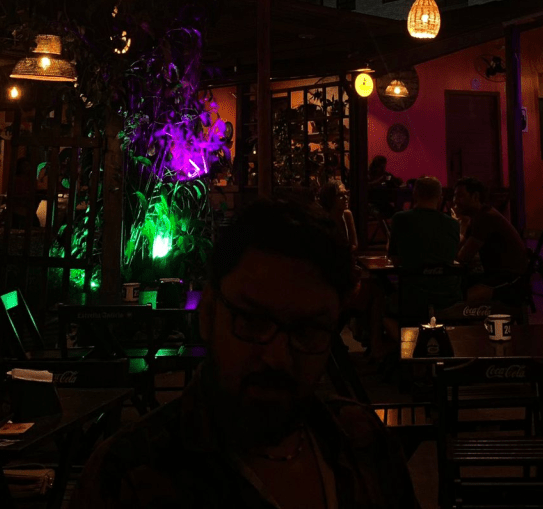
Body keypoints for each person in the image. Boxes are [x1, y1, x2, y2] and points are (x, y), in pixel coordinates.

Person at [72, 200, 418, 509]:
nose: (277, 357)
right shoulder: (127, 479)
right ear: (208, 313)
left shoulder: (366, 443)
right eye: (252, 321)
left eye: (307, 330)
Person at [387, 175, 462, 318]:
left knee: (380, 299)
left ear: (415, 194)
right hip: (448, 295)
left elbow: (395, 259)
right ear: (440, 197)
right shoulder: (453, 223)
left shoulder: (400, 219)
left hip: (412, 295)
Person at [454, 177, 529, 284]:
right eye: (455, 196)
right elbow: (460, 247)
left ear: (475, 196)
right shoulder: (478, 215)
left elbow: (464, 256)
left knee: (457, 284)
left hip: (509, 279)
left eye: (460, 196)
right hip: (501, 273)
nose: (455, 200)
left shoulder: (485, 218)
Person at [317, 181, 358, 253]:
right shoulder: (323, 218)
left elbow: (354, 244)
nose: (345, 197)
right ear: (330, 198)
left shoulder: (347, 214)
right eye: (340, 195)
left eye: (346, 193)